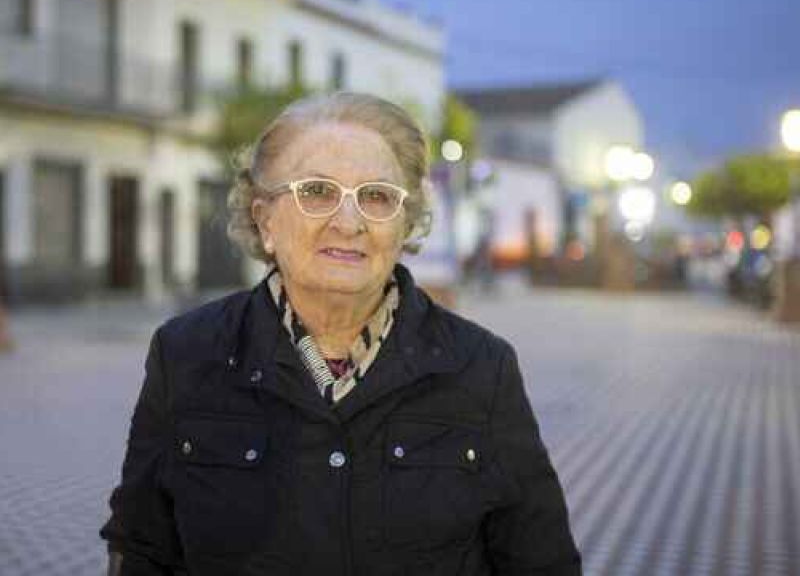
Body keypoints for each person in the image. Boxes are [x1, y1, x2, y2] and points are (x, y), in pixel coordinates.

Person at [100, 92, 580, 575]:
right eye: (316, 191)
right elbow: (143, 548)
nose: (348, 222)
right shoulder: (185, 354)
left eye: (376, 197)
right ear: (264, 218)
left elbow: (542, 562)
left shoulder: (482, 368)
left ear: (404, 224)